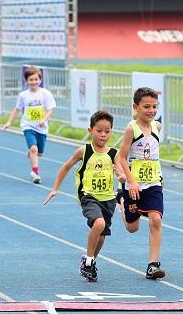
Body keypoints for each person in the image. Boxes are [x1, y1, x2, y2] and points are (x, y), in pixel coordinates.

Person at [43, 110, 125, 282]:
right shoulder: (84, 151)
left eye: (107, 131)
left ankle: (89, 262)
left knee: (101, 237)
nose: (103, 135)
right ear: (90, 130)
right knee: (99, 223)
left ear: (111, 131)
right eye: (99, 131)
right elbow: (66, 167)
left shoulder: (113, 154)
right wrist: (55, 188)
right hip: (88, 196)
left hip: (108, 199)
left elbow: (122, 174)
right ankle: (88, 261)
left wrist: (122, 178)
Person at [118, 87, 165, 279]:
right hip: (134, 185)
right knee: (132, 228)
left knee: (156, 219)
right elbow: (121, 157)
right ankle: (121, 200)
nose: (151, 110)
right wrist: (130, 181)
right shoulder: (131, 129)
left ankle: (152, 265)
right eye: (146, 107)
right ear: (135, 107)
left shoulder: (157, 126)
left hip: (154, 182)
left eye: (154, 107)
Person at [3, 66, 56, 184]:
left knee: (39, 153)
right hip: (28, 126)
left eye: (36, 79)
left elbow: (50, 109)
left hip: (41, 128)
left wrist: (44, 119)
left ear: (40, 80)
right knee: (34, 148)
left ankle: (32, 154)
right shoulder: (23, 95)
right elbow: (16, 110)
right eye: (31, 80)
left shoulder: (45, 94)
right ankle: (35, 173)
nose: (34, 82)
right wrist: (9, 122)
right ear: (26, 81)